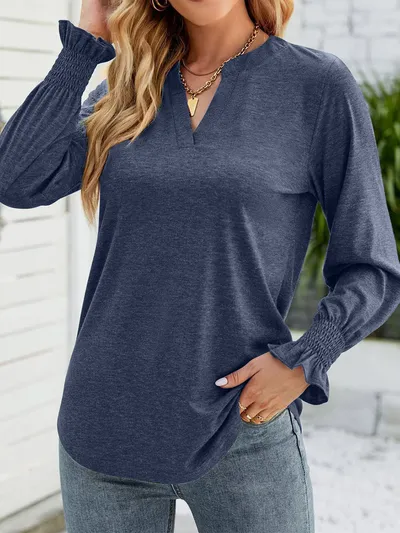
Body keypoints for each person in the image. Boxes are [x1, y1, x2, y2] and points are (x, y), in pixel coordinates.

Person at [1, 0, 400, 531]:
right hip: (105, 425)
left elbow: (373, 266)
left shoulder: (316, 86)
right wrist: (84, 45)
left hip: (242, 424)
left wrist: (307, 358)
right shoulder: (125, 92)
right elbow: (16, 178)